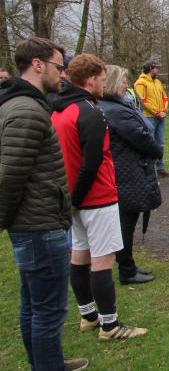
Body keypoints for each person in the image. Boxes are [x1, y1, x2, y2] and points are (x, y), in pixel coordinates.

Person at [0, 38, 89, 370]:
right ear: (37, 65)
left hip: (34, 223)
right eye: (58, 66)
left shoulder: (24, 104)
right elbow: (10, 176)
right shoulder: (25, 110)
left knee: (33, 305)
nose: (62, 74)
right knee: (48, 311)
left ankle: (45, 363)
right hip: (39, 226)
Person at [51, 54, 147, 340]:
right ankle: (110, 325)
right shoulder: (88, 112)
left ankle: (88, 315)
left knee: (79, 255)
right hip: (95, 197)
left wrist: (71, 200)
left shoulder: (59, 109)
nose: (105, 83)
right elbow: (91, 161)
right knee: (102, 260)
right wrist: (78, 198)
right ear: (91, 79)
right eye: (103, 78)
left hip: (73, 195)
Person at [98, 65, 162, 285]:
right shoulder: (115, 111)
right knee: (125, 222)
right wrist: (156, 150)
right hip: (126, 171)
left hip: (127, 169)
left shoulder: (115, 107)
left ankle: (129, 265)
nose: (126, 85)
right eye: (123, 81)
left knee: (126, 221)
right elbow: (141, 137)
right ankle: (126, 269)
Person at [134, 60, 169, 176]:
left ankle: (160, 168)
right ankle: (150, 169)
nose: (157, 70)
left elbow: (164, 97)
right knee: (150, 143)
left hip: (161, 116)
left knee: (160, 143)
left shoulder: (158, 82)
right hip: (149, 117)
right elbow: (143, 101)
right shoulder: (140, 83)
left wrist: (163, 110)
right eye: (156, 68)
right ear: (150, 69)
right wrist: (157, 112)